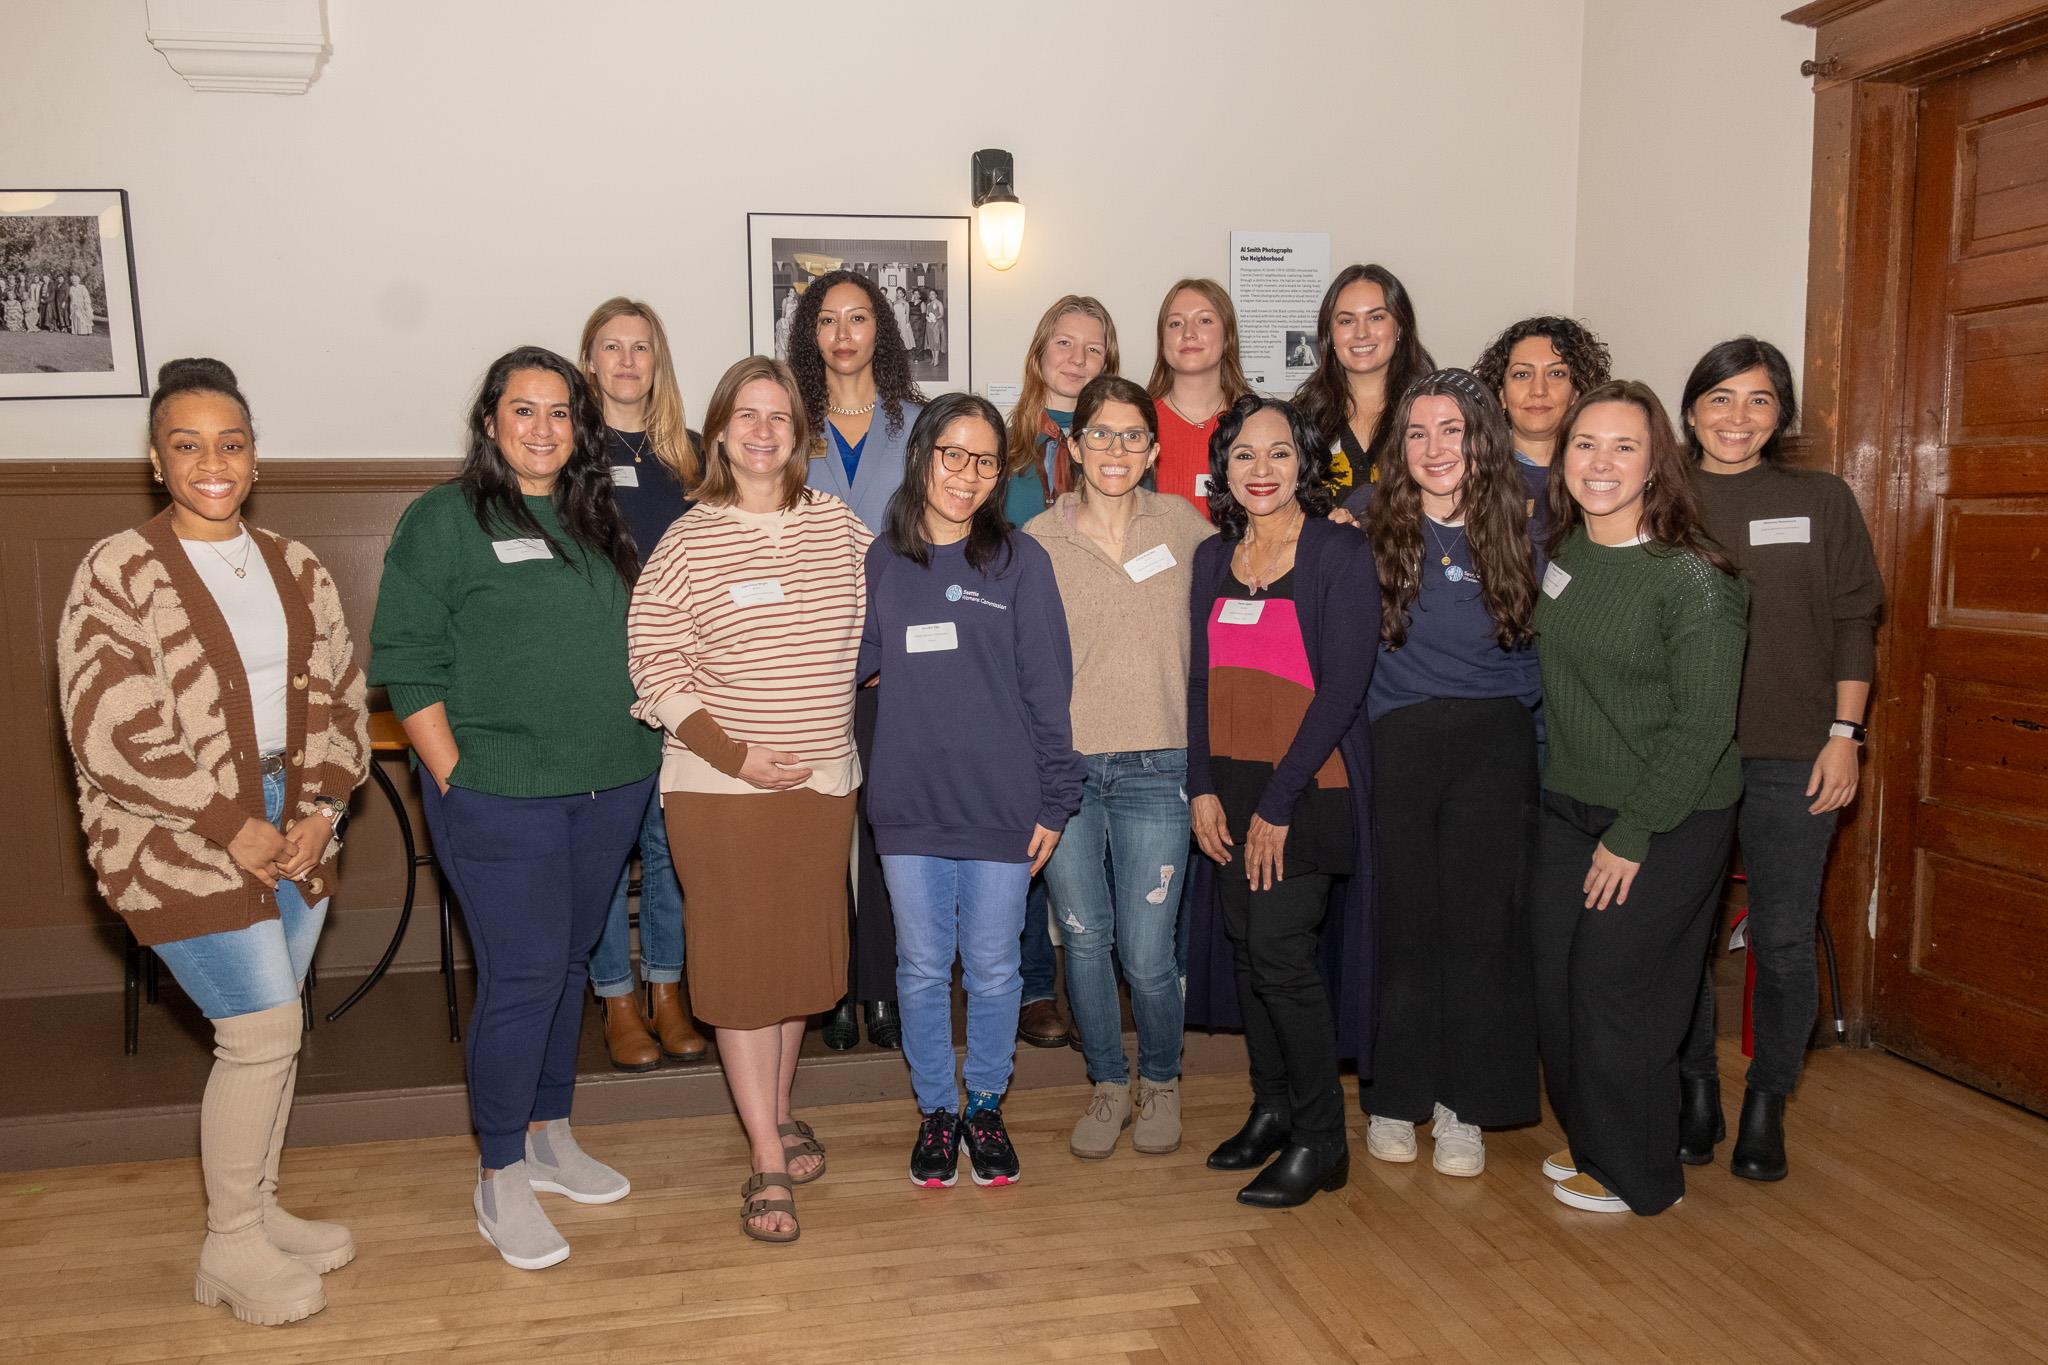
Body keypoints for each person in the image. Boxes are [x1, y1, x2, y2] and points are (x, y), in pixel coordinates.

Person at [57, 358, 369, 1326]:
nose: (212, 462)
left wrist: (322, 807)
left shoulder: (296, 565)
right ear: (157, 460)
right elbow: (107, 721)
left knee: (272, 1038)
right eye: (187, 445)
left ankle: (260, 1210)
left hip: (295, 829)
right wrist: (231, 823)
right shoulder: (118, 569)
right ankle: (227, 1247)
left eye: (230, 442)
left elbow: (343, 690)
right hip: (178, 838)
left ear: (255, 456)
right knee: (261, 1029)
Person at [369, 346, 660, 1269]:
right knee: (524, 973)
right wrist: (455, 773)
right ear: (491, 420)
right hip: (497, 792)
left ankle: (547, 1133)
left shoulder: (593, 514)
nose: (542, 428)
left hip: (608, 781)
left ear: (579, 429)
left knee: (568, 966)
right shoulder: (443, 520)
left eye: (559, 413)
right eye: (523, 410)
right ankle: (498, 1173)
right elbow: (407, 663)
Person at [628, 356, 870, 1242]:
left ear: (798, 434)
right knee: (739, 974)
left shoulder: (840, 526)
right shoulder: (690, 540)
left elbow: (876, 628)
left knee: (799, 965)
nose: (764, 431)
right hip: (719, 793)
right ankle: (766, 1156)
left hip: (821, 787)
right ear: (721, 432)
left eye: (779, 416)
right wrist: (735, 753)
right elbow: (654, 664)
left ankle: (775, 1105)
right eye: (746, 415)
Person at [1530, 380, 1748, 1216]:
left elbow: (1701, 729)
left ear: (1658, 461)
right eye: (1586, 443)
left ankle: (1638, 1172)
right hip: (1571, 803)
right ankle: (1596, 1139)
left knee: (1618, 987)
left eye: (1624, 446)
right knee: (1557, 982)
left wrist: (1631, 834)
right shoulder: (1568, 555)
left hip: (1671, 814)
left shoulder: (1695, 577)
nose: (1601, 462)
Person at [858, 393, 1084, 1189]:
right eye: (953, 453)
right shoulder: (883, 558)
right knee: (921, 967)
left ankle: (983, 1104)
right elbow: (851, 664)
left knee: (992, 969)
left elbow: (1048, 688)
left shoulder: (1021, 561)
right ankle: (936, 1111)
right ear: (924, 455)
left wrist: (1056, 799)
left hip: (1002, 804)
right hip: (909, 802)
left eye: (986, 460)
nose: (969, 474)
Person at [1676, 337, 1883, 1181]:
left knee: (1786, 938)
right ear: (1690, 411)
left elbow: (1853, 621)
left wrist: (1847, 735)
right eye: (1720, 399)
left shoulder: (1821, 498)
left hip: (1796, 753)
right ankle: (1694, 1089)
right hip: (1684, 754)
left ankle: (1767, 1100)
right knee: (1679, 938)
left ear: (1781, 414)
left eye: (1758, 400)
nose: (1738, 417)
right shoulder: (1659, 495)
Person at [1185, 394, 1379, 1208]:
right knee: (1245, 952)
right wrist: (1199, 785)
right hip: (1228, 789)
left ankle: (1322, 1139)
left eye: (1278, 454)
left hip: (1309, 788)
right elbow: (1197, 681)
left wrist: (1279, 800)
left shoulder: (1338, 552)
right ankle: (1269, 1108)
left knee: (1281, 958)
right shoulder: (1210, 558)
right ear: (1223, 468)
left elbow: (1342, 689)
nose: (1261, 471)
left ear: (1304, 461)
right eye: (1243, 456)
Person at [1350, 369, 1542, 1178]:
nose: (1435, 448)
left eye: (1453, 431)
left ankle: (1464, 1102)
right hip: (1400, 738)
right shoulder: (1362, 523)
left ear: (1482, 439)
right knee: (1407, 921)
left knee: (1479, 928)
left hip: (1498, 742)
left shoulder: (1528, 524)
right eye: (1419, 433)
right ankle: (1399, 1093)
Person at [1024, 375, 1214, 1158]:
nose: (1115, 449)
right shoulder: (1037, 540)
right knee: (1083, 935)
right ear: (1073, 446)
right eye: (1099, 434)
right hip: (1068, 773)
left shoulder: (1187, 525)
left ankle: (1161, 1079)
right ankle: (1107, 1082)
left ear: (1154, 450)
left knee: (1146, 948)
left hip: (1158, 766)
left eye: (1132, 435)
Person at [791, 268, 927, 1050]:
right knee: (816, 829)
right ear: (810, 335)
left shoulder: (915, 423)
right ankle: (830, 988)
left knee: (884, 825)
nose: (844, 334)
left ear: (882, 331)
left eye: (860, 318)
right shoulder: (787, 423)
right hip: (805, 657)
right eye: (828, 321)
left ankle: (881, 987)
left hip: (895, 659)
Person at [575, 297, 708, 1072]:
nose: (627, 361)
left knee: (669, 842)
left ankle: (668, 987)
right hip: (595, 672)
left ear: (658, 362)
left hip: (678, 673)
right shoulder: (564, 449)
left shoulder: (689, 456)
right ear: (589, 359)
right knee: (604, 844)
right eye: (611, 347)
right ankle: (616, 995)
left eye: (641, 347)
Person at [1294, 263, 1435, 493]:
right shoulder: (1298, 419)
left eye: (1376, 317)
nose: (1361, 333)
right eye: (1346, 321)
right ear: (1329, 334)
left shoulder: (1434, 413)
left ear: (1399, 327)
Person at [1003, 295, 1118, 529]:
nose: (1078, 359)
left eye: (1093, 349)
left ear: (1106, 366)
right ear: (1040, 352)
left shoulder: (1123, 449)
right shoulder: (999, 446)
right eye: (1064, 343)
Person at [1146, 279, 1253, 516]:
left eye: (1204, 321)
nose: (1188, 334)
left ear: (1228, 337)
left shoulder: (1257, 423)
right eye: (1175, 323)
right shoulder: (1137, 424)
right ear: (1162, 341)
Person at [1472, 315, 1613, 473]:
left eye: (1556, 374)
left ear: (1577, 393)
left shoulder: (1601, 470)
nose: (1538, 390)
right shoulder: (1473, 473)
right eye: (1522, 374)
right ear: (1501, 394)